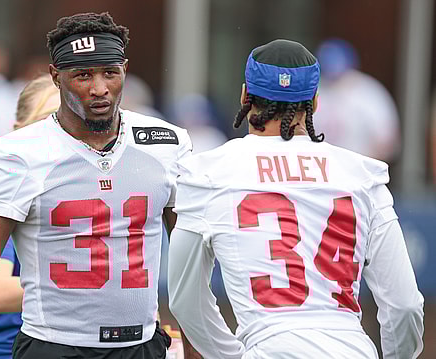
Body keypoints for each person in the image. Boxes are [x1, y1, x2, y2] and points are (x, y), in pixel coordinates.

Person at [0, 12, 193, 359]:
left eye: (110, 73)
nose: (99, 88)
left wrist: (196, 345)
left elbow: (189, 262)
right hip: (54, 347)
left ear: (125, 70)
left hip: (140, 345)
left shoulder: (164, 144)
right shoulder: (21, 154)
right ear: (55, 77)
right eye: (83, 75)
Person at [168, 39, 424, 359]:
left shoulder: (208, 172)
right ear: (315, 103)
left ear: (246, 95)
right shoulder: (362, 175)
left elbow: (185, 299)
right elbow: (405, 305)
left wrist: (230, 355)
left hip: (268, 346)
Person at [0, 73, 60, 358]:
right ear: (18, 130)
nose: (62, 131)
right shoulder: (5, 196)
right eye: (49, 118)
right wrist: (89, 291)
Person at [313, 38, 401, 163]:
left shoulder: (368, 92)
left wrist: (363, 168)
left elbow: (387, 143)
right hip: (322, 171)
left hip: (358, 170)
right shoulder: (315, 91)